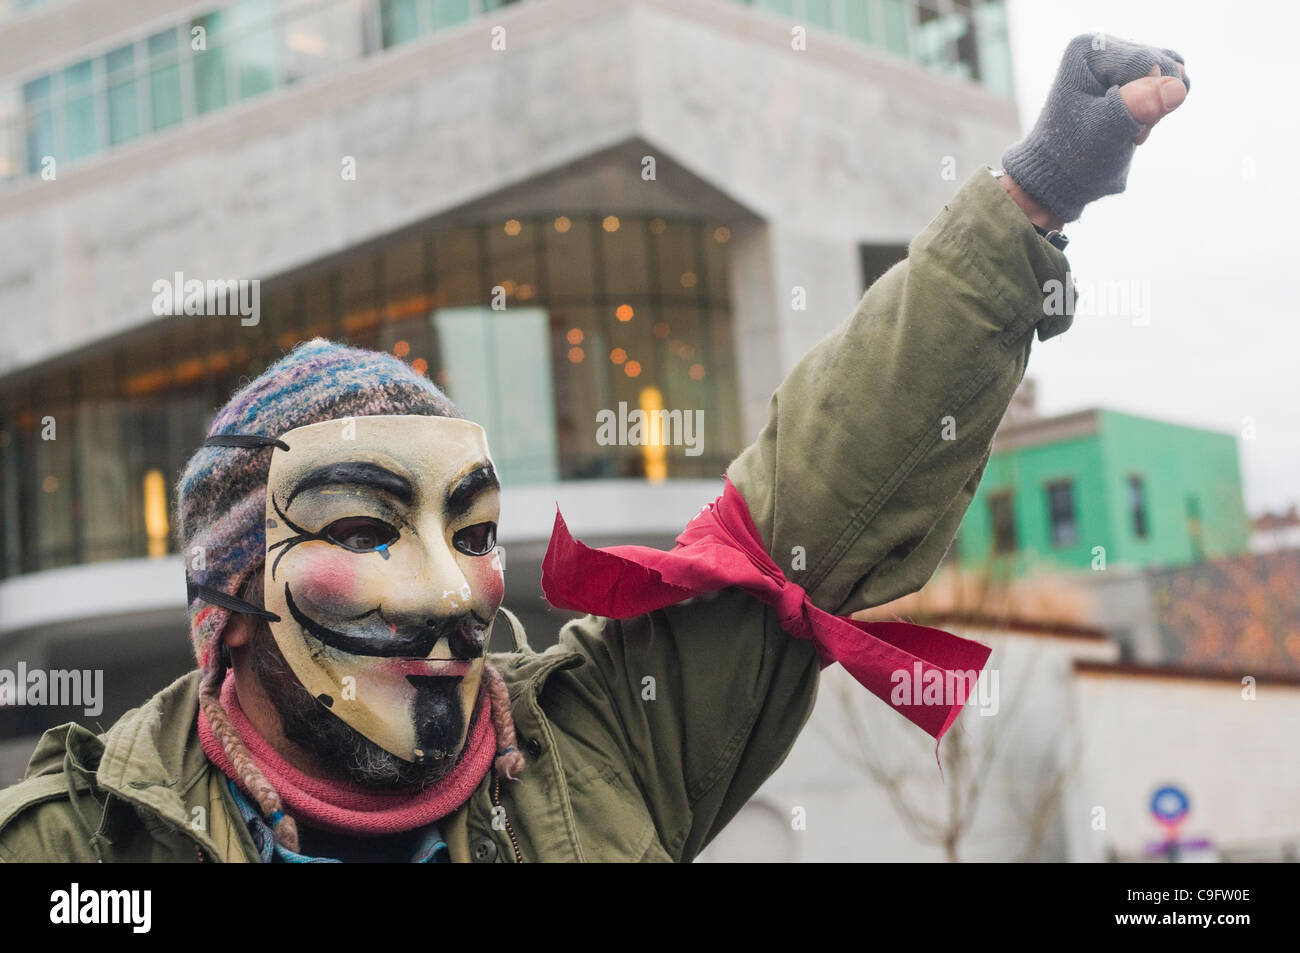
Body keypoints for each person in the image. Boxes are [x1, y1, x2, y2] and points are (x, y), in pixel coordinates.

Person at [0, 35, 1188, 862]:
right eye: (362, 527)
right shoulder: (83, 845)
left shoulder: (596, 750)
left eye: (470, 530)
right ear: (229, 593)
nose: (446, 585)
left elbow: (802, 520)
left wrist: (1028, 202)